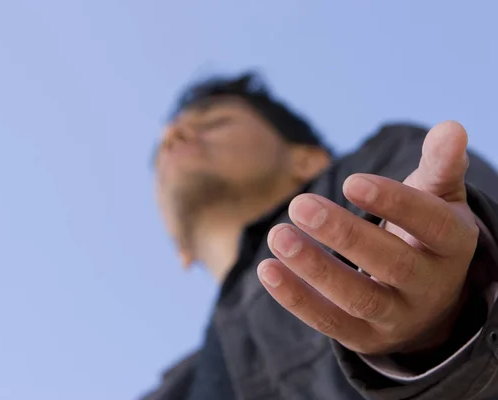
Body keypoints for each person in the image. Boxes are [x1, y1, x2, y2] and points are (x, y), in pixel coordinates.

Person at [143, 72, 498, 400]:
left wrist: (447, 323)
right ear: (181, 252)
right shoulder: (170, 390)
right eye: (162, 150)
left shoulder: (377, 164)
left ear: (307, 160)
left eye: (213, 123)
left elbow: (459, 228)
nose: (172, 135)